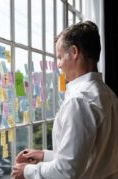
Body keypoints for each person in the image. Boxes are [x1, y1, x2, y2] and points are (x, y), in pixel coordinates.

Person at [11, 21, 118, 179]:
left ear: (74, 52)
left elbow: (66, 171)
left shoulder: (80, 101)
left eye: (60, 57)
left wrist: (26, 171)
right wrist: (44, 155)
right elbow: (87, 157)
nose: (59, 64)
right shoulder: (108, 94)